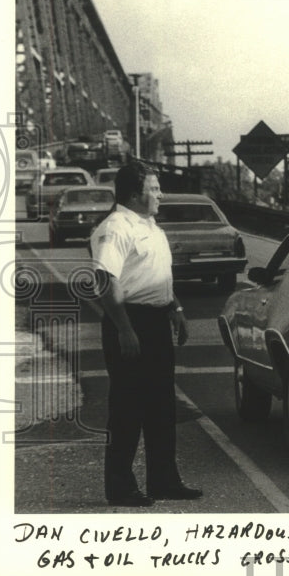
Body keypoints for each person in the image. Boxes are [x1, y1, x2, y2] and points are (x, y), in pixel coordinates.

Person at [91, 163, 202, 507]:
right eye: (154, 189)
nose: (159, 195)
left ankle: (164, 480)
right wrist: (124, 329)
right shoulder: (115, 228)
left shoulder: (151, 227)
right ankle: (120, 488)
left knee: (160, 406)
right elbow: (105, 283)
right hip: (130, 321)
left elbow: (157, 277)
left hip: (156, 321)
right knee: (127, 407)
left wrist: (176, 309)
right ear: (135, 193)